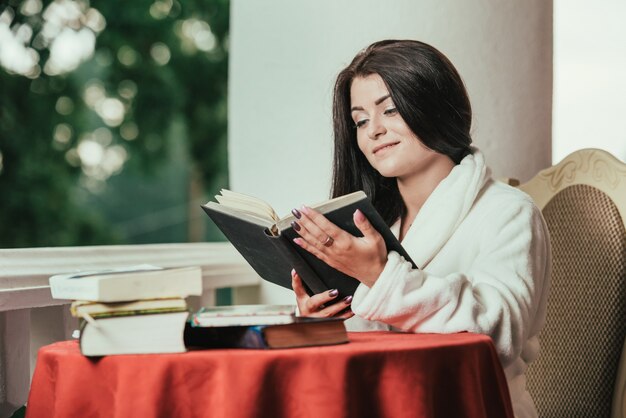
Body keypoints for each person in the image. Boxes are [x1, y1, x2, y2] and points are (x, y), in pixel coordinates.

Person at [288, 39, 551, 418]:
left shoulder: (508, 212)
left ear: (436, 107)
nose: (373, 131)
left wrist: (379, 275)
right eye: (360, 120)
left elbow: (498, 332)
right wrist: (319, 324)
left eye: (390, 110)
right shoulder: (369, 225)